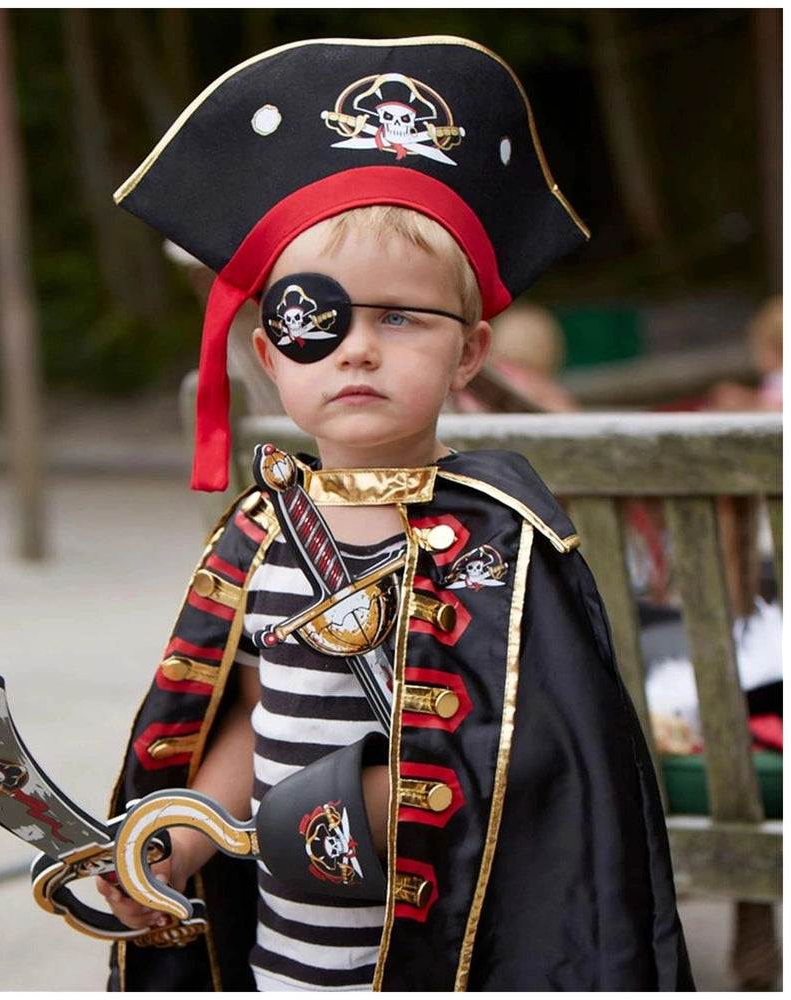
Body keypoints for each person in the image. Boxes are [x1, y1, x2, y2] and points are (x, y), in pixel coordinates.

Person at [95, 36, 694, 991]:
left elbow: (547, 768)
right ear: (270, 354)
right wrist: (181, 840)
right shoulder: (259, 536)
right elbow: (249, 714)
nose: (358, 351)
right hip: (285, 956)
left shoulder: (507, 544)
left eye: (402, 318)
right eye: (316, 319)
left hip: (449, 955)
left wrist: (356, 805)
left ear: (470, 354)